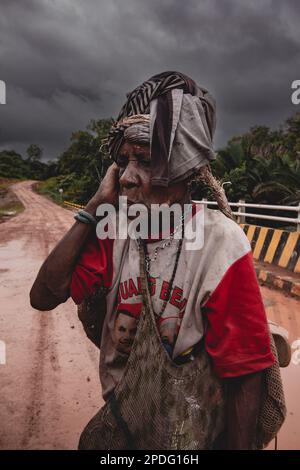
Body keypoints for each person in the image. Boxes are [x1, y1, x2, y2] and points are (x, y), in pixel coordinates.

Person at [30, 71, 277, 450]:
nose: (127, 178)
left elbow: (245, 371)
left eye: (144, 161)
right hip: (123, 429)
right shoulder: (112, 232)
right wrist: (95, 206)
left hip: (194, 439)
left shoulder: (220, 244)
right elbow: (44, 295)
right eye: (123, 162)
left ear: (182, 171)